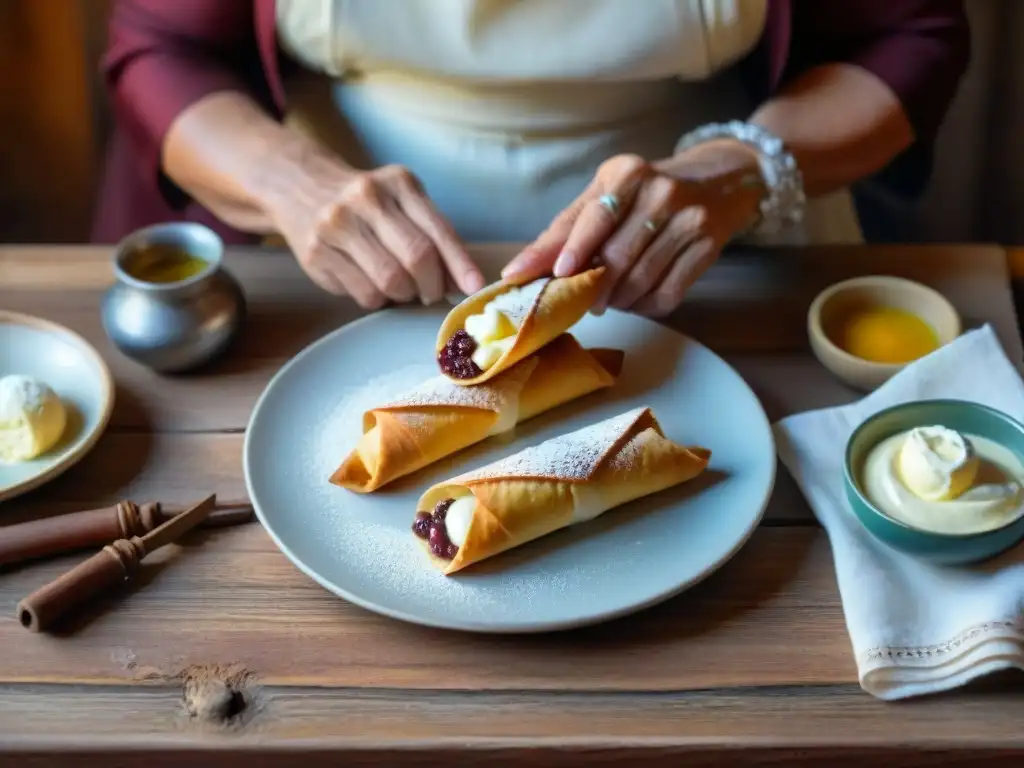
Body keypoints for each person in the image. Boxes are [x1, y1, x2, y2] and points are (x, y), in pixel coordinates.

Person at [95, 1, 969, 316]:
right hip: (332, 268)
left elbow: (910, 35)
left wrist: (738, 168)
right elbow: (160, 46)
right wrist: (283, 178)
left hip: (713, 256)